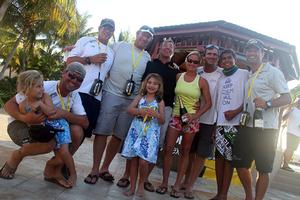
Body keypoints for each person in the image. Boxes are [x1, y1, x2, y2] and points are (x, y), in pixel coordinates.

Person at [84, 25, 154, 185]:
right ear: (137, 34)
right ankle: (94, 169)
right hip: (111, 94)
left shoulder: (147, 57)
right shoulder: (119, 45)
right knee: (102, 132)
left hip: (131, 100)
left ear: (150, 40)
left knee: (118, 136)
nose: (145, 38)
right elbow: (100, 49)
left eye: (148, 37)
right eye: (143, 35)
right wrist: (73, 50)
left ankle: (104, 168)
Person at [0, 62, 89, 188]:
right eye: (72, 75)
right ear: (63, 73)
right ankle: (17, 155)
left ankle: (54, 168)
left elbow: (85, 122)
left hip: (44, 125)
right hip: (19, 124)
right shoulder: (41, 86)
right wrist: (25, 117)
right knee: (49, 144)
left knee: (77, 131)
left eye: (79, 79)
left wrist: (64, 114)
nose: (75, 81)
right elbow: (9, 105)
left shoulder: (73, 95)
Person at [117, 38, 180, 191]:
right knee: (134, 142)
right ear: (160, 48)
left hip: (163, 108)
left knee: (156, 144)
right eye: (165, 45)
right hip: (143, 105)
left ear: (173, 51)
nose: (167, 48)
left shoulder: (176, 70)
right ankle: (127, 175)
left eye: (171, 46)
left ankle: (144, 180)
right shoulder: (150, 63)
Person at [232, 39, 291, 200]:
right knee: (240, 164)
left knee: (263, 169)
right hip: (246, 126)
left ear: (262, 53)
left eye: (255, 50)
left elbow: (287, 98)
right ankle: (249, 196)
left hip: (266, 129)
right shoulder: (249, 73)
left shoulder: (273, 72)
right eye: (249, 50)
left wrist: (268, 103)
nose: (251, 53)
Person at [156, 51, 212, 198]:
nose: (192, 63)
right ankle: (164, 182)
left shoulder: (201, 81)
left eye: (195, 62)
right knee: (168, 149)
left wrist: (195, 116)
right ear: (186, 61)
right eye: (190, 60)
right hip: (176, 117)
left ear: (199, 64)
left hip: (191, 121)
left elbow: (209, 103)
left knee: (185, 152)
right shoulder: (178, 76)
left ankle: (177, 185)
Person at [16, 70, 77, 187]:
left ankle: (73, 173)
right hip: (47, 130)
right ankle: (50, 167)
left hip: (60, 125)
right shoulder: (23, 105)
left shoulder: (45, 97)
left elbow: (51, 111)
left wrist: (39, 104)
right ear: (27, 88)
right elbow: (29, 121)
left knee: (63, 154)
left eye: (42, 85)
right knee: (59, 158)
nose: (42, 89)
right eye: (38, 86)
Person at [182, 44, 223, 196]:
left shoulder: (222, 74)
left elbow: (220, 101)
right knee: (190, 152)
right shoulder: (197, 71)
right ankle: (185, 181)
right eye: (209, 54)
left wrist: (217, 125)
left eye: (215, 54)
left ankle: (190, 186)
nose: (212, 56)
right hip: (193, 118)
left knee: (201, 155)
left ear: (217, 57)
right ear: (204, 56)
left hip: (210, 121)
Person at [66, 18, 115, 139]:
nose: (107, 31)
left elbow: (107, 74)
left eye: (111, 29)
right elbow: (69, 61)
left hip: (96, 98)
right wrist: (89, 59)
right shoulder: (86, 40)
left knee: (83, 135)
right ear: (99, 28)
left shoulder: (112, 52)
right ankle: (63, 157)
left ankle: (65, 157)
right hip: (79, 92)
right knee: (70, 131)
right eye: (105, 27)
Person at [212, 49, 249, 200]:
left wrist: (236, 111)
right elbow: (218, 104)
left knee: (228, 160)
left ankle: (224, 195)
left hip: (235, 124)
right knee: (219, 159)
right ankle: (219, 193)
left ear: (235, 59)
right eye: (224, 59)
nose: (226, 61)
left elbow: (249, 97)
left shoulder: (244, 74)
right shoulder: (221, 79)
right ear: (220, 62)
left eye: (229, 58)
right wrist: (215, 125)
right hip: (220, 123)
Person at [121, 73, 165, 197]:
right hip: (136, 130)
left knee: (144, 162)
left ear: (159, 86)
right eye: (149, 82)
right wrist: (139, 111)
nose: (151, 85)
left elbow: (162, 120)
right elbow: (129, 110)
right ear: (145, 83)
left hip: (150, 134)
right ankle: (133, 186)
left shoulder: (159, 101)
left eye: (155, 83)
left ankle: (141, 184)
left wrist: (155, 114)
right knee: (134, 160)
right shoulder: (140, 97)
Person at [281, 98, 300, 172]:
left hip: (297, 134)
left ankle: (286, 164)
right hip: (291, 132)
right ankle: (285, 165)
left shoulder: (294, 109)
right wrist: (290, 110)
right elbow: (284, 118)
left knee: (292, 149)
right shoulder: (293, 109)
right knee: (290, 148)